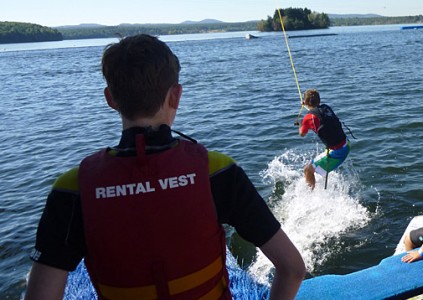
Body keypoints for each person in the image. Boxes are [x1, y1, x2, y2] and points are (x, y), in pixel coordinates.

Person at [24, 34, 305, 300]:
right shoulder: (217, 171)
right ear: (176, 96)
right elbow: (292, 268)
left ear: (110, 99)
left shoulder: (72, 189)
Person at [298, 89, 350, 189]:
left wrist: (301, 123)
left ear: (305, 102)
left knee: (307, 170)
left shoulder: (308, 118)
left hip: (338, 152)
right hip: (346, 144)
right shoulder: (326, 108)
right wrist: (307, 105)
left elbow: (302, 134)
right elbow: (317, 113)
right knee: (314, 168)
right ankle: (319, 176)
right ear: (319, 101)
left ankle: (310, 196)